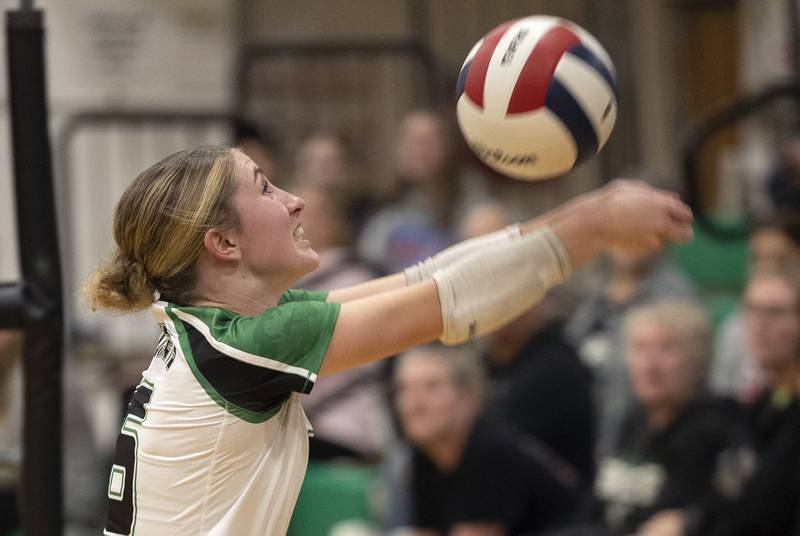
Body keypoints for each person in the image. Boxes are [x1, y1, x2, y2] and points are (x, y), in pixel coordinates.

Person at [84, 144, 693, 535]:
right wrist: (595, 224)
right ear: (224, 244)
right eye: (267, 189)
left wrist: (589, 216)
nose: (295, 201)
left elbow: (426, 280)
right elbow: (454, 304)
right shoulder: (248, 344)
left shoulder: (221, 331)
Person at [638, 266, 800, 536]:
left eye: (775, 313)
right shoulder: (763, 402)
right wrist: (690, 520)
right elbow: (733, 493)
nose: (760, 324)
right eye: (752, 310)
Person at [394, 344, 582, 536]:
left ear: (467, 396)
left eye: (431, 387)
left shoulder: (488, 449)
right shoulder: (425, 454)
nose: (414, 404)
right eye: (404, 389)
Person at [593, 300, 734, 535]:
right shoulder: (632, 419)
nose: (651, 364)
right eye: (640, 348)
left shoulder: (713, 428)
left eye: (667, 349)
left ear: (698, 361)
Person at [566, 247, 697, 459]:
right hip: (582, 426)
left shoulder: (675, 297)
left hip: (632, 437)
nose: (627, 242)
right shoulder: (595, 288)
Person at [357, 109, 487, 273]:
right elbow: (368, 269)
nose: (418, 151)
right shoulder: (382, 213)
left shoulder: (475, 199)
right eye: (409, 142)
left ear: (449, 147)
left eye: (427, 141)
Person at [710, 213, 800, 402]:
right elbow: (721, 392)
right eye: (756, 257)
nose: (765, 266)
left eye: (780, 258)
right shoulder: (735, 326)